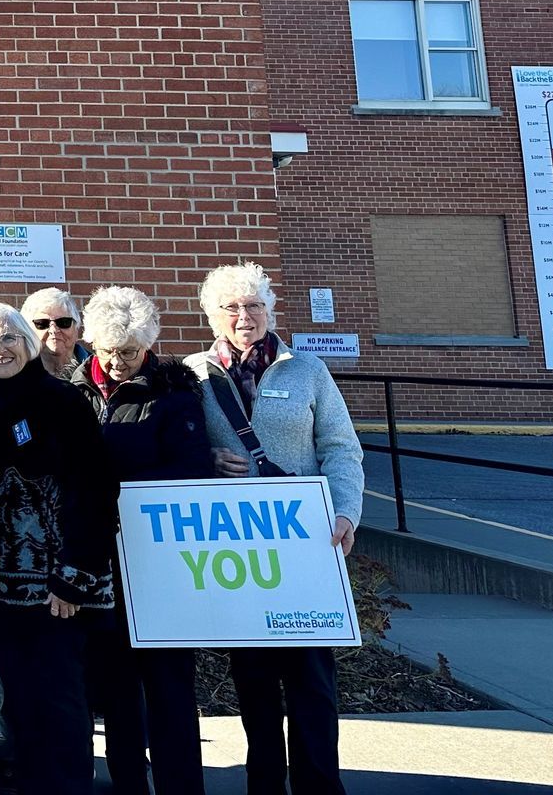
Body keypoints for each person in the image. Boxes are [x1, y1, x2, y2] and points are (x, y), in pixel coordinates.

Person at [185, 263, 364, 795]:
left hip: (305, 546)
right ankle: (264, 783)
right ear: (212, 315)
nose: (244, 317)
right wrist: (207, 460)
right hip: (239, 550)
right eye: (231, 308)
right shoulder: (193, 373)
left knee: (312, 679)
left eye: (254, 305)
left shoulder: (307, 370)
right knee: (255, 682)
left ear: (269, 310)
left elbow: (340, 447)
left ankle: (318, 785)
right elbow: (177, 446)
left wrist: (346, 512)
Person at [0, 302, 117, 795]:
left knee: (62, 702)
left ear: (27, 342)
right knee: (19, 701)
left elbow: (95, 490)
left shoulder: (63, 403)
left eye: (8, 338)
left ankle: (69, 785)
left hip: (58, 591)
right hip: (1, 591)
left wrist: (74, 575)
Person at [74, 287, 216, 795]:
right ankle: (129, 782)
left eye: (129, 353)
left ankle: (181, 785)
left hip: (159, 564)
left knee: (169, 683)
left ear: (148, 346)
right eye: (106, 351)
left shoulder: (174, 395)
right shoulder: (74, 392)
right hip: (100, 563)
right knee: (114, 686)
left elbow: (194, 470)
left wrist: (121, 490)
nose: (116, 363)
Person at [22, 287, 89, 379]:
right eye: (42, 323)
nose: (53, 330)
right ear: (28, 330)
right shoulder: (17, 373)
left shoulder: (97, 369)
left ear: (76, 327)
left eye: (63, 322)